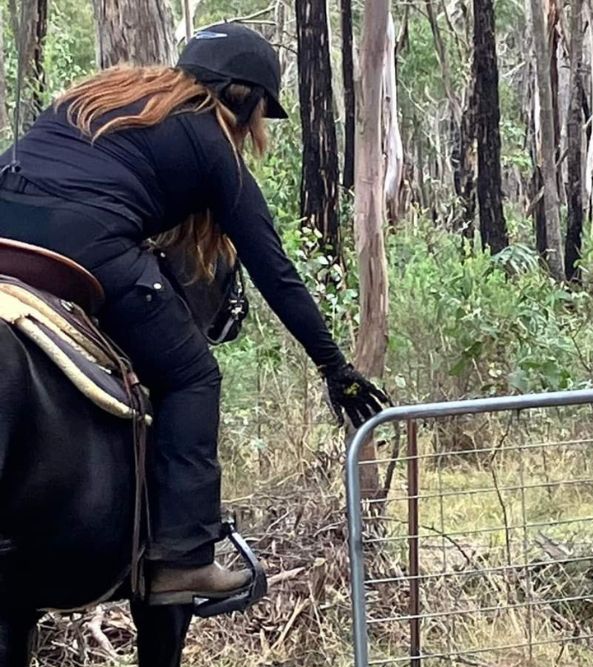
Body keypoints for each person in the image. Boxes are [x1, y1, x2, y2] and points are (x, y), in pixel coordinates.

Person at [0, 23, 387, 605]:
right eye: (259, 110)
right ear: (243, 97)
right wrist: (336, 368)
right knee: (193, 376)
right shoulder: (210, 139)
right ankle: (182, 557)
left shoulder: (101, 93)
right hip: (85, 242)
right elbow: (273, 271)